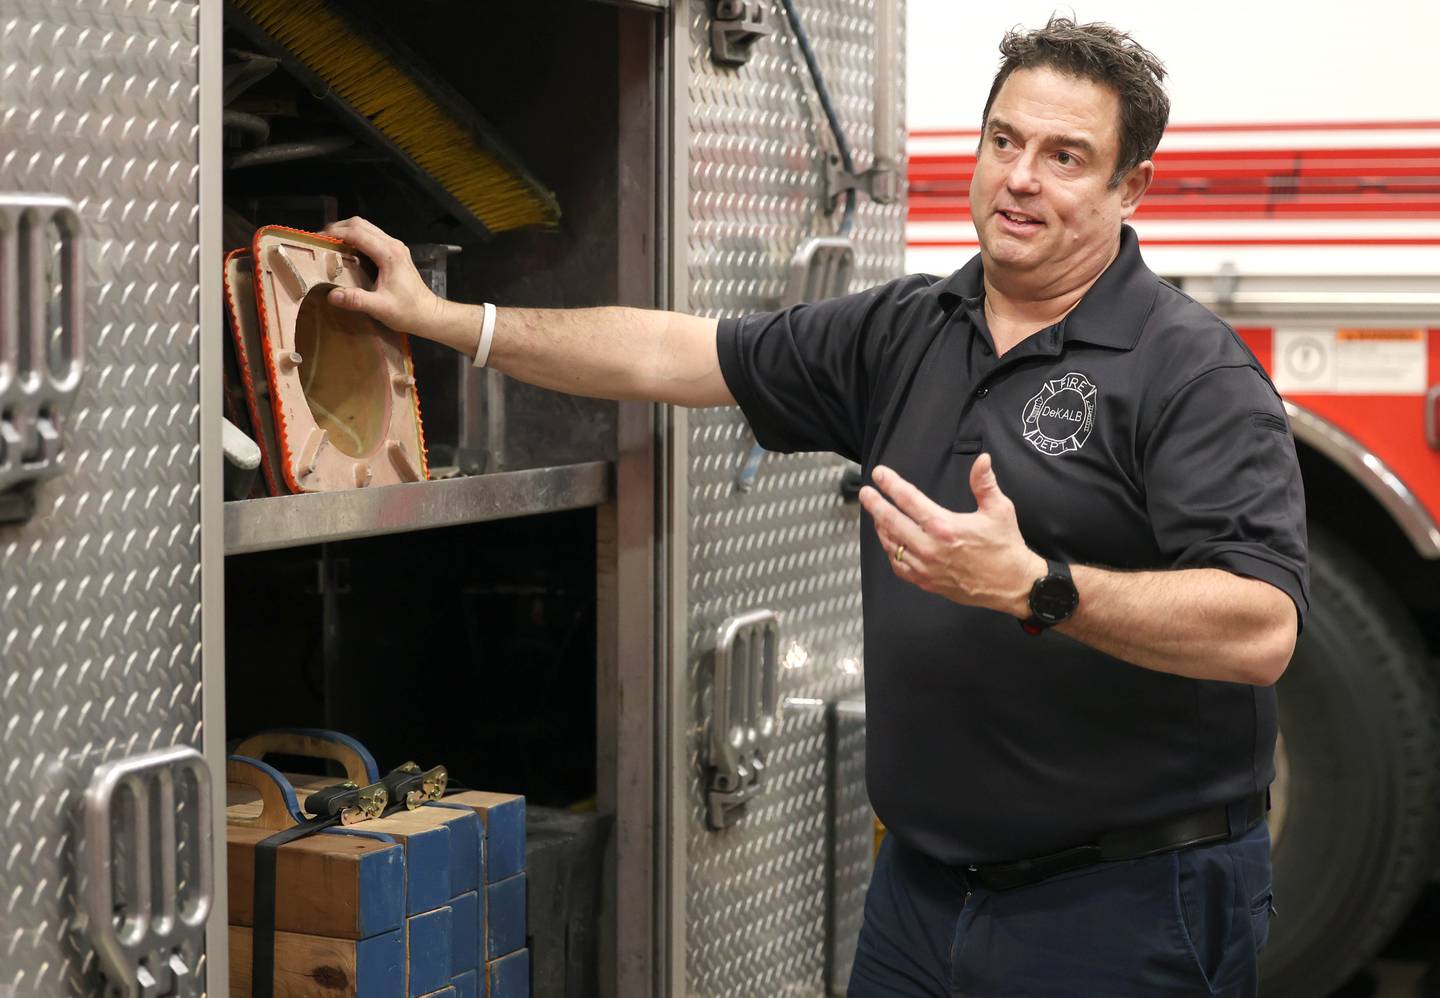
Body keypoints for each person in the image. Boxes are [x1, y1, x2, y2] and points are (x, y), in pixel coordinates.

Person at [322, 17, 1306, 997]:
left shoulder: (1191, 371)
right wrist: (444, 318)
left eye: (1065, 156)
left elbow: (1261, 628)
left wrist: (1038, 587)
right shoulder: (907, 329)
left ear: (1131, 187)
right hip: (919, 895)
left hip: (1124, 906)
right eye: (1003, 140)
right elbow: (670, 351)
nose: (1020, 177)